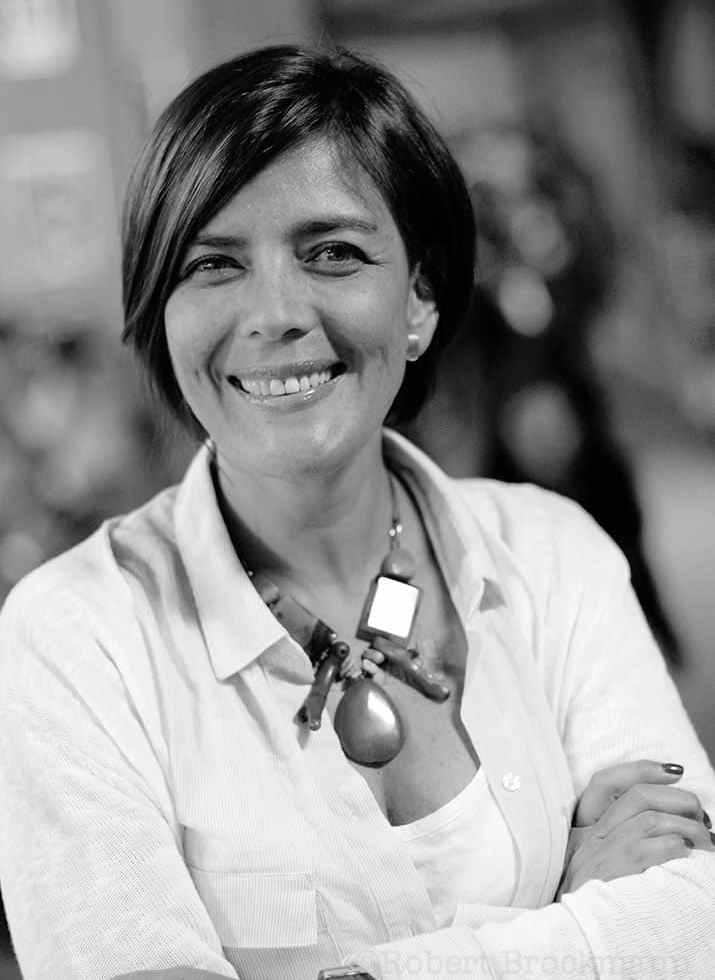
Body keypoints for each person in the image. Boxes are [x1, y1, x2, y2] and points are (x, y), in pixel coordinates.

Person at [0, 44, 713, 980]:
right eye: (212, 263)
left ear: (418, 298)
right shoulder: (75, 637)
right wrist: (571, 927)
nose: (274, 314)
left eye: (332, 253)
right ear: (159, 314)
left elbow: (693, 921)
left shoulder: (550, 554)